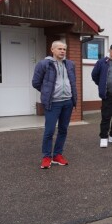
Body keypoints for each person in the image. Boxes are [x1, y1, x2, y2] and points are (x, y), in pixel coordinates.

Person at [32, 40, 77, 169]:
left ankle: (57, 155)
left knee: (63, 130)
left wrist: (72, 98)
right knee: (49, 131)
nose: (62, 51)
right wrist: (47, 92)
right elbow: (36, 82)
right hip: (53, 103)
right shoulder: (44, 64)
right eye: (59, 49)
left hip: (68, 102)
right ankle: (46, 157)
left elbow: (72, 81)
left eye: (64, 49)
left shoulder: (70, 64)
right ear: (52, 50)